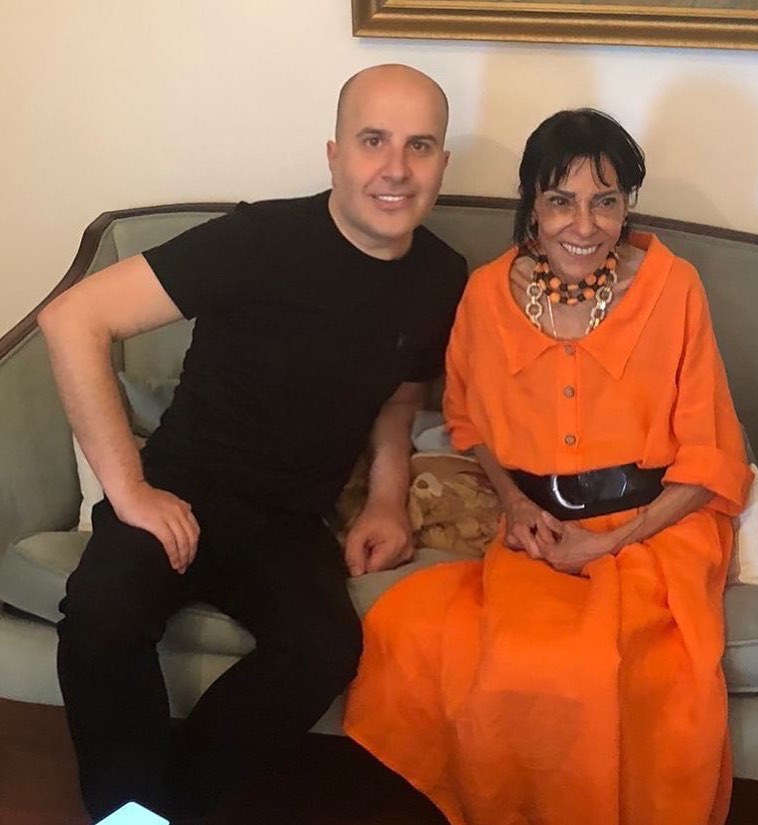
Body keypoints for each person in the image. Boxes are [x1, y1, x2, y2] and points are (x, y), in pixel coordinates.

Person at [37, 64, 466, 821]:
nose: (396, 168)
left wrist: (387, 499)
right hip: (180, 486)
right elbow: (72, 318)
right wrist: (130, 491)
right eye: (373, 141)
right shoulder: (258, 238)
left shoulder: (440, 275)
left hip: (289, 520)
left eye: (419, 146)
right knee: (102, 614)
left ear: (442, 163)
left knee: (324, 648)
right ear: (334, 154)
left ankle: (161, 812)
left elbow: (401, 398)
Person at [344, 109, 752, 825]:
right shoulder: (486, 293)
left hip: (655, 531)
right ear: (531, 202)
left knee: (608, 666)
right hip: (536, 532)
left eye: (605, 201)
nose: (583, 226)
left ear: (626, 204)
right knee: (490, 655)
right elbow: (469, 422)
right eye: (561, 200)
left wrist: (609, 542)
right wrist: (516, 505)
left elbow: (708, 457)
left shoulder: (674, 287)